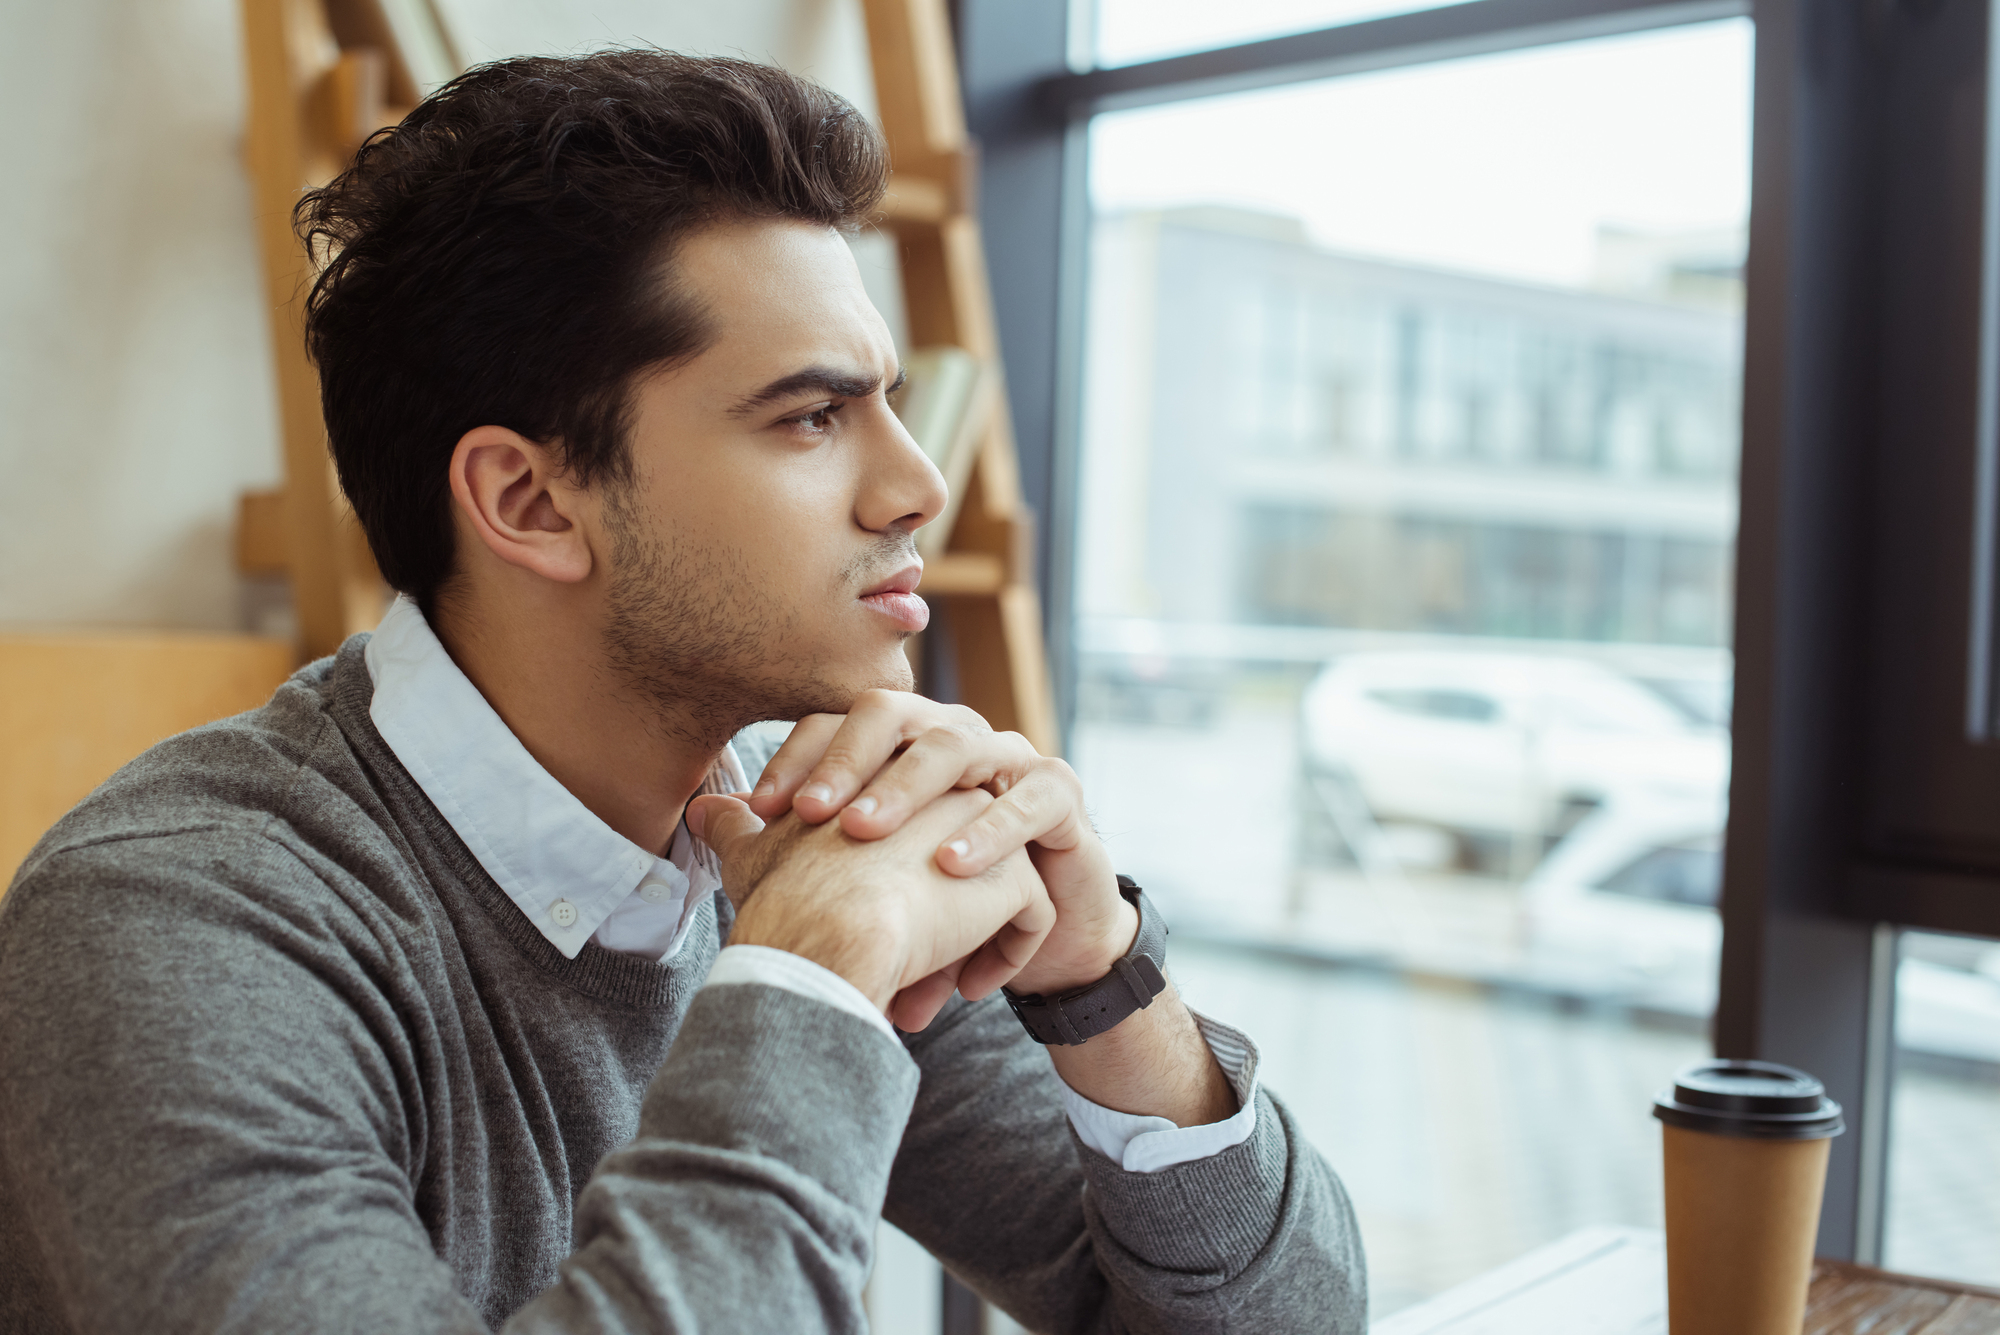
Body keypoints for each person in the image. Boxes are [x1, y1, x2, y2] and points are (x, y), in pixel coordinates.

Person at [0, 50, 1365, 1333]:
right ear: (532, 502)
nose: (917, 485)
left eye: (888, 402)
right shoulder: (167, 925)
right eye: (811, 417)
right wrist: (812, 975)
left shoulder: (800, 826)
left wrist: (1099, 982)